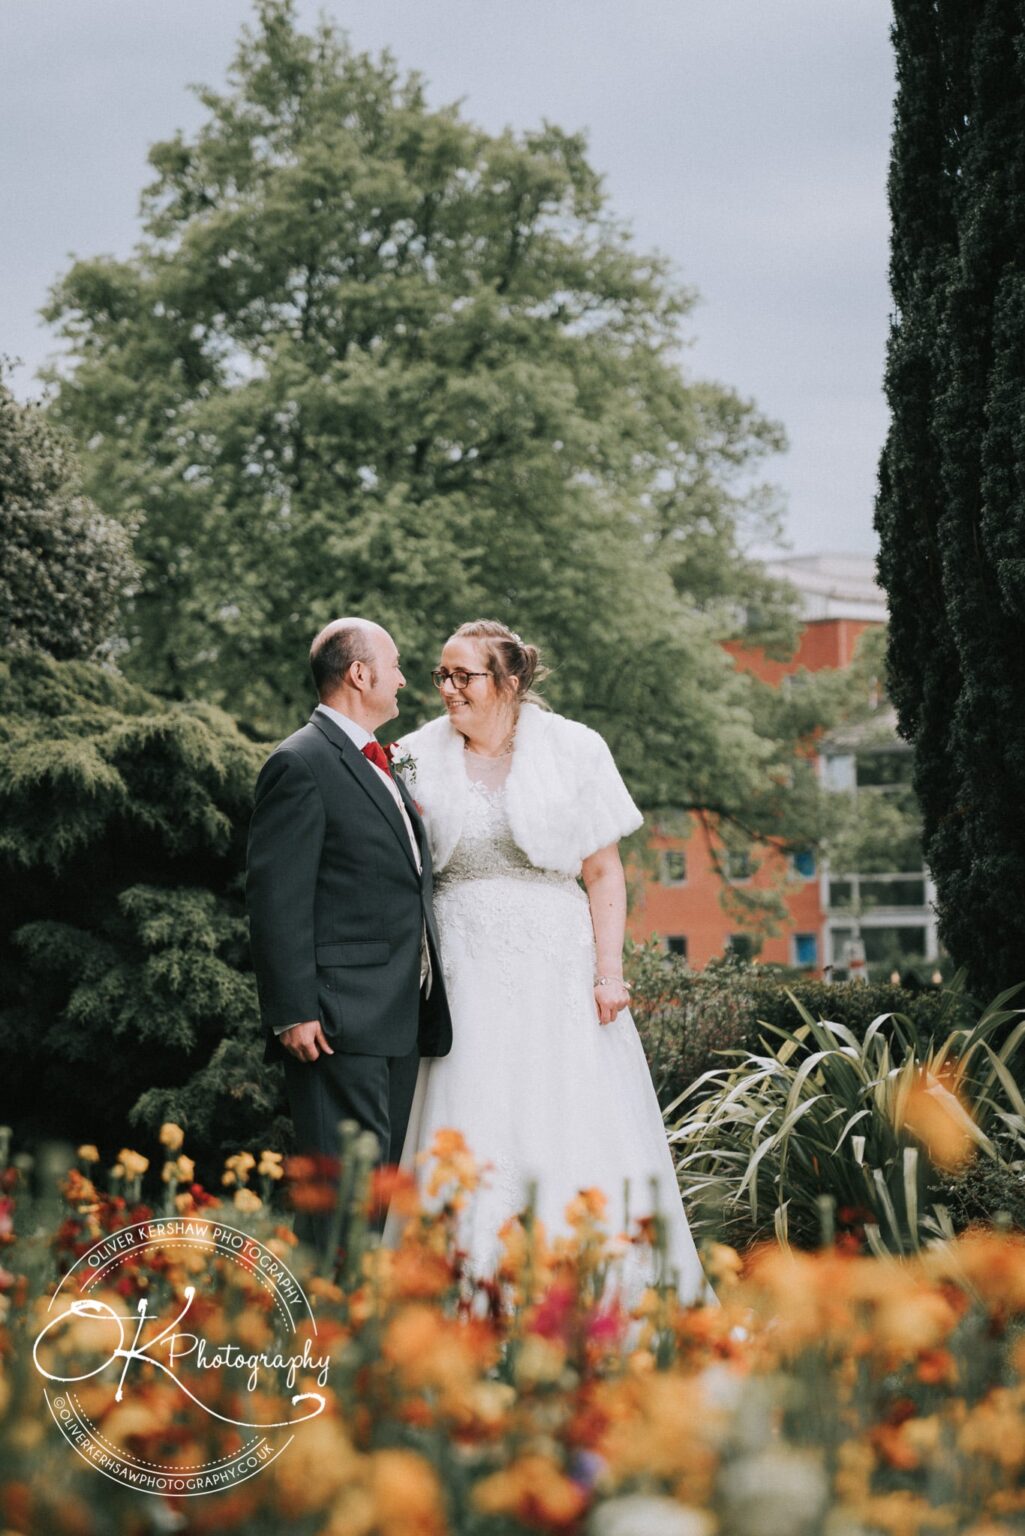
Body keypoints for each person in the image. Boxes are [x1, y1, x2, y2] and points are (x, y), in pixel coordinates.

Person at [384, 619, 709, 1303]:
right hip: (461, 974)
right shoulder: (412, 755)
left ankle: (590, 1286)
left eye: (461, 676)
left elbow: (604, 873)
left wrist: (609, 975)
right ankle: (460, 1292)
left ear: (506, 681)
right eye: (440, 674)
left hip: (556, 969)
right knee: (465, 1112)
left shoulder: (574, 749)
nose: (445, 689)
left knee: (567, 1110)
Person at [246, 618, 452, 1257]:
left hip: (393, 1016)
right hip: (335, 1020)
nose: (403, 679)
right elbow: (276, 895)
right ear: (360, 674)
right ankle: (328, 1339)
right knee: (345, 1205)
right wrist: (294, 1011)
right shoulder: (300, 762)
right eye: (394, 665)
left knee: (377, 1201)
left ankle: (362, 1336)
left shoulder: (379, 762)